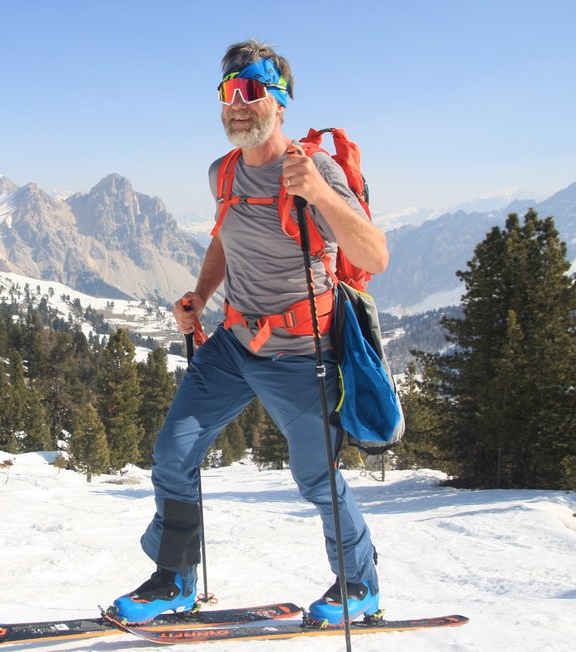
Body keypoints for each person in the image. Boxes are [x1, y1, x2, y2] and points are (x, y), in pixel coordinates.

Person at [109, 39, 389, 626]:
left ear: (279, 102)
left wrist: (315, 191)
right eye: (228, 92)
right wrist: (201, 297)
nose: (237, 103)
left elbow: (374, 254)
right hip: (235, 346)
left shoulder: (315, 171)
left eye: (251, 91)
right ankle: (174, 582)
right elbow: (223, 236)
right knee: (172, 455)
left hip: (302, 354)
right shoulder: (225, 171)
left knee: (317, 479)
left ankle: (360, 585)